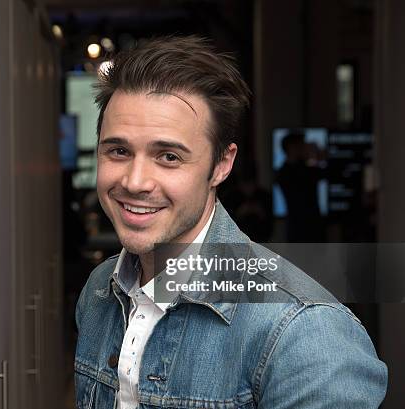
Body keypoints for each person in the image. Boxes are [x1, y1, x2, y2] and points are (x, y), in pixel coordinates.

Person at [74, 35, 387, 408]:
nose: (135, 182)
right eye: (119, 151)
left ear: (221, 165)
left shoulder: (303, 332)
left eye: (169, 157)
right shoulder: (99, 292)